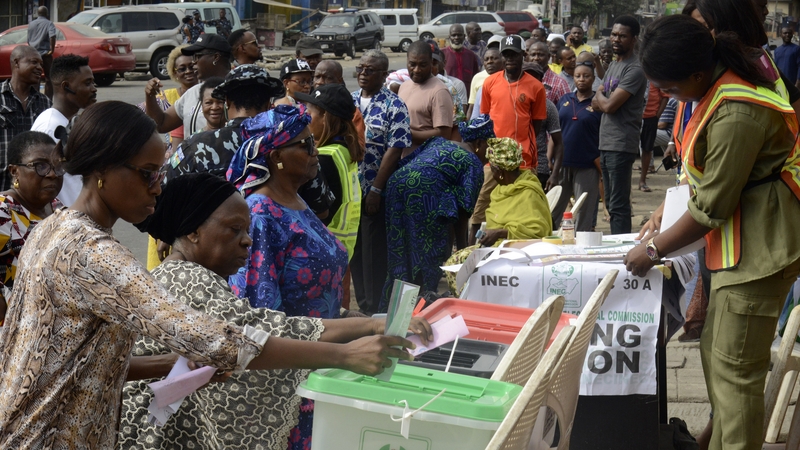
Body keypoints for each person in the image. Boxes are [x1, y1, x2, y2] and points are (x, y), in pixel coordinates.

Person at [0, 101, 416, 448]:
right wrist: (346, 353)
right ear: (104, 170)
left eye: (160, 174)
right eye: (148, 174)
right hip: (51, 435)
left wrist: (176, 362)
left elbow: (82, 358)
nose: (158, 188)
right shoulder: (94, 253)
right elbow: (219, 341)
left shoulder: (53, 228)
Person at [120, 173, 432, 450]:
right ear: (192, 232)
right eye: (234, 229)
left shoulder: (181, 274)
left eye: (246, 230)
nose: (247, 241)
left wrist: (366, 325)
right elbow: (259, 335)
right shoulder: (185, 279)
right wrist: (358, 341)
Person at [626, 15, 800, 450]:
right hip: (739, 247)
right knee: (714, 356)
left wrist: (654, 249)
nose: (666, 97)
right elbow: (699, 176)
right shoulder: (714, 91)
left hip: (762, 251)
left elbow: (712, 205)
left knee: (736, 374)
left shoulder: (737, 111)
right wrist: (666, 209)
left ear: (697, 74)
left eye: (668, 89)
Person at [227, 105, 351, 447]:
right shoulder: (260, 213)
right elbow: (258, 310)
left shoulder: (296, 201)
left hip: (321, 360)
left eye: (314, 142)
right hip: (289, 378)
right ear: (275, 156)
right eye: (305, 145)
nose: (315, 152)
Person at [383, 116, 487, 301]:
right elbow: (463, 214)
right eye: (488, 146)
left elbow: (407, 162)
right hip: (423, 195)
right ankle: (422, 306)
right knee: (428, 254)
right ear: (479, 142)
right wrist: (464, 258)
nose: (489, 153)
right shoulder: (472, 163)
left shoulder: (439, 142)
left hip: (396, 186)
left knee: (401, 253)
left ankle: (396, 310)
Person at [350, 49, 412, 315]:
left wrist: (376, 188)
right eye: (361, 68)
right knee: (354, 248)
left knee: (372, 251)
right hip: (349, 188)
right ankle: (362, 302)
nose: (363, 73)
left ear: (384, 75)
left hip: (375, 189)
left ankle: (373, 308)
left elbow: (395, 148)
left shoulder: (394, 105)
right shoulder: (349, 101)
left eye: (370, 70)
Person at [472, 35, 547, 241]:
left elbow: (537, 124)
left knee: (523, 207)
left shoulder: (535, 87)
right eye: (506, 55)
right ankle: (471, 250)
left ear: (523, 55)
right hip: (494, 160)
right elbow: (486, 120)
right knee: (481, 207)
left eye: (514, 54)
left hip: (523, 161)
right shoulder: (489, 83)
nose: (510, 59)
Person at [166, 65, 283, 182]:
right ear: (268, 104)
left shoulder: (195, 146)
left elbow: (164, 188)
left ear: (226, 102)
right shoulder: (285, 143)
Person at [591, 15, 647, 235]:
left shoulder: (635, 69)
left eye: (622, 36)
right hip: (606, 141)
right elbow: (600, 104)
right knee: (611, 204)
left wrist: (599, 94)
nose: (615, 39)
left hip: (621, 143)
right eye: (614, 34)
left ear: (634, 39)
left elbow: (608, 105)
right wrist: (602, 98)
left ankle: (623, 250)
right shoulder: (615, 64)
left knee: (619, 204)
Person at [294, 84, 364, 259]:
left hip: (320, 250)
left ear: (325, 116)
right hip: (340, 249)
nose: (305, 119)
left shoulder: (324, 158)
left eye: (309, 114)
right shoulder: (344, 150)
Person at [0, 131, 62, 326]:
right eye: (40, 166)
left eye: (57, 165)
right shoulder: (4, 212)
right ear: (14, 171)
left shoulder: (57, 207)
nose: (52, 174)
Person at [31, 54, 97, 207]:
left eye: (93, 82)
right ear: (65, 86)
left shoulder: (67, 122)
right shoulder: (50, 127)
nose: (94, 89)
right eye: (87, 83)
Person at [145, 34, 232, 139]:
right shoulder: (193, 92)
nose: (193, 62)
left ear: (216, 57)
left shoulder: (238, 90)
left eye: (197, 56)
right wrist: (150, 96)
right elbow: (161, 124)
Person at [552, 62, 602, 231]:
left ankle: (582, 244)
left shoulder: (598, 104)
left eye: (586, 76)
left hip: (587, 165)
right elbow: (555, 131)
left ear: (593, 79)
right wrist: (550, 158)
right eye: (578, 76)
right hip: (562, 163)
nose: (581, 80)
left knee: (584, 210)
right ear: (573, 78)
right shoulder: (565, 100)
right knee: (554, 208)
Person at [479, 137, 552, 246]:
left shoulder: (528, 192)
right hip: (496, 247)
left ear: (500, 172)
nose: (492, 174)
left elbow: (539, 231)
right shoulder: (500, 190)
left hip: (519, 251)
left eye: (492, 170)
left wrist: (500, 233)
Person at [0, 46, 51, 191]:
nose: (39, 68)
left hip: (32, 188)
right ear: (16, 63)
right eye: (34, 62)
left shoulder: (45, 103)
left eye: (41, 64)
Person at [398, 40, 454, 149]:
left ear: (431, 62)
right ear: (407, 62)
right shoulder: (404, 86)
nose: (417, 70)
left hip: (425, 160)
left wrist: (406, 134)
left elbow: (444, 134)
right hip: (402, 159)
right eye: (412, 64)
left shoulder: (439, 92)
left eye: (423, 65)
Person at [525, 62, 563, 195]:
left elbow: (558, 142)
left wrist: (555, 174)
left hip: (539, 167)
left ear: (541, 81)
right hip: (514, 166)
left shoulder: (548, 106)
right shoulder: (510, 101)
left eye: (534, 78)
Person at [161, 45, 198, 152]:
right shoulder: (164, 97)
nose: (188, 71)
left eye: (192, 67)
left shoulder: (208, 94)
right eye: (182, 69)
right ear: (174, 72)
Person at [638, 81, 669, 192]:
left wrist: (657, 116)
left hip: (650, 118)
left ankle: (642, 181)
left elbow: (665, 97)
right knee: (629, 150)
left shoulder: (654, 77)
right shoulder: (633, 72)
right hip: (633, 116)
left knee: (647, 148)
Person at [26, 6, 56, 99]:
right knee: (49, 78)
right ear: (46, 14)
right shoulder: (49, 23)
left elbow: (28, 40)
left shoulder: (31, 24)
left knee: (35, 77)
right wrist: (52, 49)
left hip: (34, 54)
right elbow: (52, 36)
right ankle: (48, 99)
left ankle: (35, 98)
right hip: (45, 54)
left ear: (38, 13)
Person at [466, 48, 503, 119]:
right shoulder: (478, 78)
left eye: (494, 58)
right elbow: (472, 107)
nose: (490, 62)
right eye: (486, 59)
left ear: (502, 60)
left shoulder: (508, 79)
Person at [443, 24, 480, 93]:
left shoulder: (471, 55)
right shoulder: (442, 54)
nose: (456, 38)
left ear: (464, 37)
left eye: (459, 35)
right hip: (448, 94)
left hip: (467, 96)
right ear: (449, 37)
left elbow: (475, 78)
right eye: (454, 35)